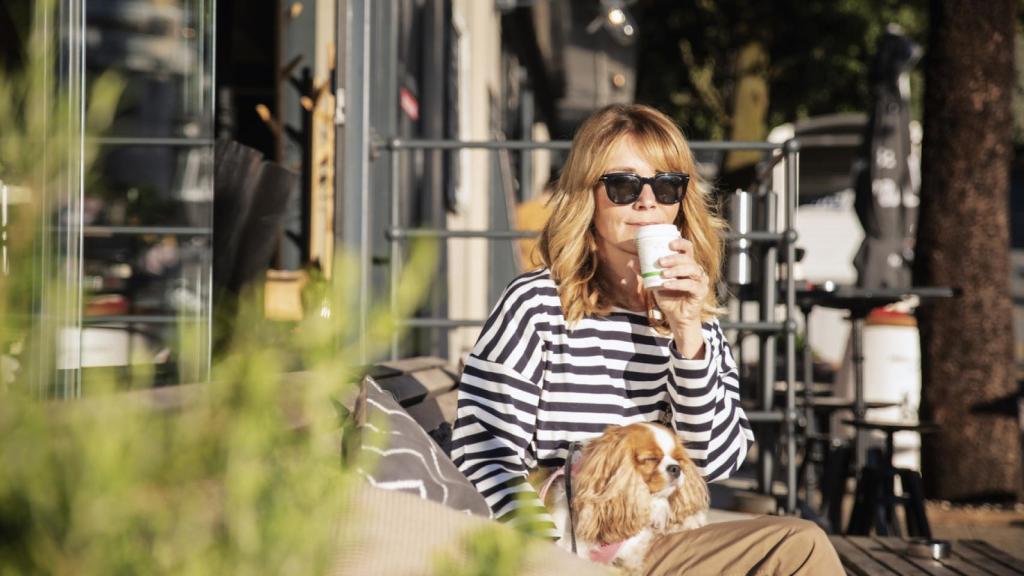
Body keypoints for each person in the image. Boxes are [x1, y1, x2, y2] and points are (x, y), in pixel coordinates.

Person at [450, 104, 843, 575]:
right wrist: (552, 556)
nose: (646, 202)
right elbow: (484, 451)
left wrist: (687, 335)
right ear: (587, 196)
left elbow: (715, 461)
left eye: (666, 185)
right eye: (622, 185)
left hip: (653, 542)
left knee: (800, 542)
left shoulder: (695, 318)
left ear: (681, 201)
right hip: (564, 542)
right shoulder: (537, 303)